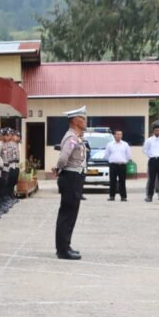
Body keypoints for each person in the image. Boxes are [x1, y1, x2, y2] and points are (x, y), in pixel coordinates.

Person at [54, 106, 87, 260]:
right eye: (83, 118)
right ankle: (62, 249)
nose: (85, 121)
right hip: (71, 178)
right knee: (67, 214)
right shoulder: (72, 138)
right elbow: (62, 159)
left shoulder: (77, 136)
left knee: (71, 214)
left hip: (75, 177)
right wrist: (60, 170)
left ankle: (65, 245)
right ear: (75, 121)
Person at [104, 129, 131, 202]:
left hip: (122, 165)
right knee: (112, 181)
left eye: (120, 134)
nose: (119, 136)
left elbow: (128, 156)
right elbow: (106, 155)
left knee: (122, 181)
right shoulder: (110, 144)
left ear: (122, 135)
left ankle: (123, 197)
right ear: (114, 135)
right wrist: (111, 160)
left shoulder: (125, 144)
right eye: (117, 134)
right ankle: (112, 196)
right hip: (113, 165)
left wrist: (124, 161)